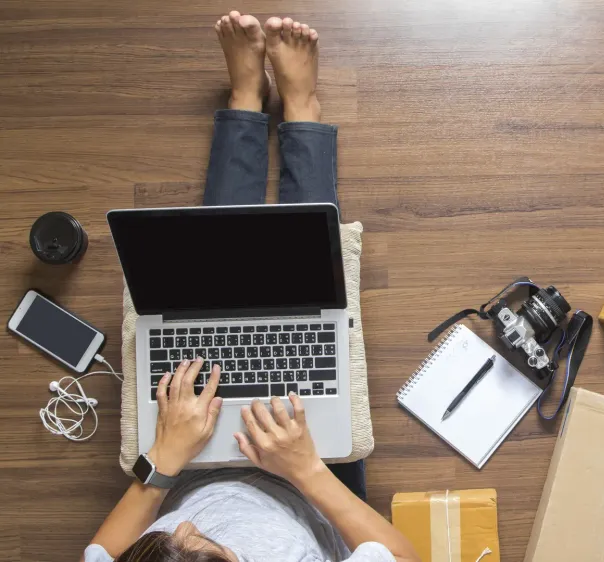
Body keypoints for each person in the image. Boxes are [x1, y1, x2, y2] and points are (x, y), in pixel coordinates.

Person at [83, 12, 420, 562]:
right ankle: (302, 111)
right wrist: (306, 468)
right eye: (198, 542)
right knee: (308, 272)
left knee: (210, 289)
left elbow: (99, 551)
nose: (184, 527)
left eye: (168, 541)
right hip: (311, 484)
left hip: (188, 472)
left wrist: (163, 462)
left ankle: (245, 102)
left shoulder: (174, 527)